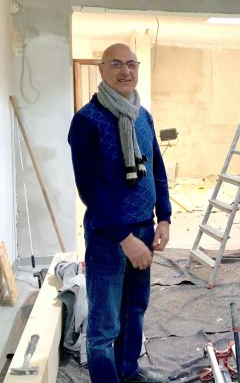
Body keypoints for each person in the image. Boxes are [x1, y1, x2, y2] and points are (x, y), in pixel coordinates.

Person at [68, 43, 171, 382]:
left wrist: (164, 217)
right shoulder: (86, 121)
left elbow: (156, 168)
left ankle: (128, 371)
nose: (126, 71)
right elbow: (91, 192)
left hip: (145, 229)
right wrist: (125, 239)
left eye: (131, 64)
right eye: (116, 64)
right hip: (108, 238)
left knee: (134, 310)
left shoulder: (143, 116)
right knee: (104, 326)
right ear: (101, 70)